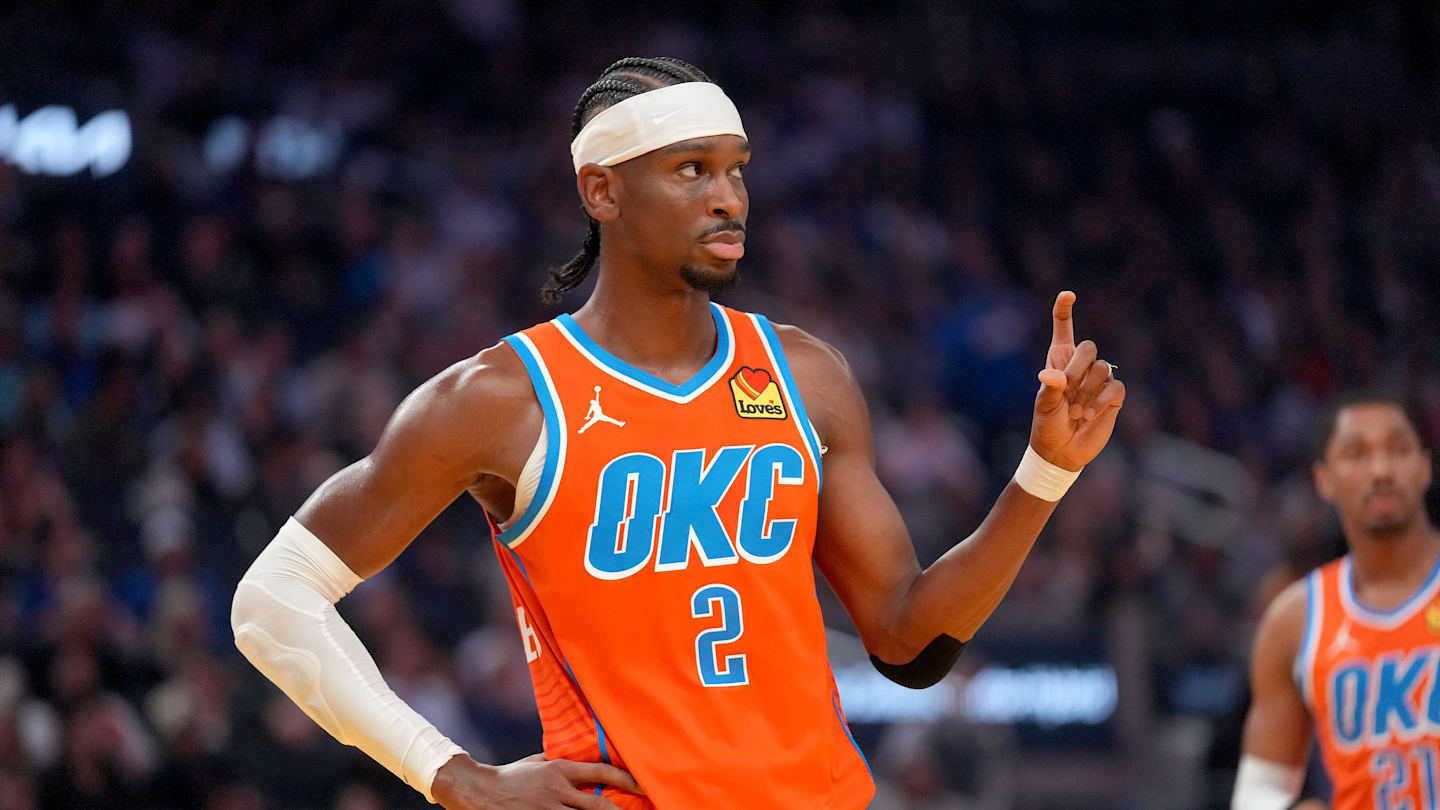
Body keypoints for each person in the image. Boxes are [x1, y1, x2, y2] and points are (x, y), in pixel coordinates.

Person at [230, 56, 1126, 810]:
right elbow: (272, 602)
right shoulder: (498, 398)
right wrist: (451, 775)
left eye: (737, 168)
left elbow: (907, 643)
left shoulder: (805, 374)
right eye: (690, 170)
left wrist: (1042, 474)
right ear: (602, 191)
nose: (728, 198)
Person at [1233, 394, 1438, 810]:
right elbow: (1259, 794)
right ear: (1323, 480)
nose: (1381, 470)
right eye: (1356, 454)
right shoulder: (1293, 620)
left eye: (1398, 450)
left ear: (1424, 466)